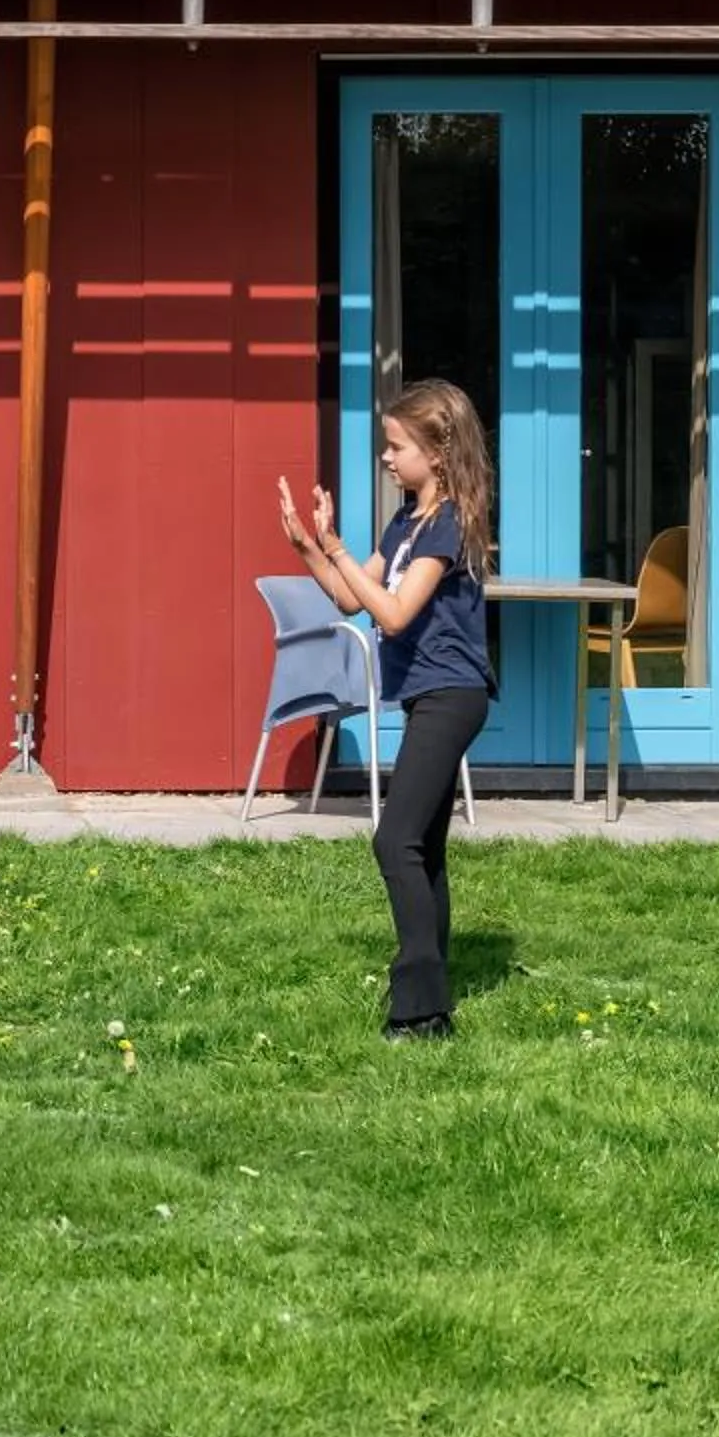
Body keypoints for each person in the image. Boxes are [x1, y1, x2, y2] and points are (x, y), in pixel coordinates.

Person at [278, 377, 497, 1043]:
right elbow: (353, 600)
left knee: (392, 839)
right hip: (429, 695)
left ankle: (420, 1006)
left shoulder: (449, 522)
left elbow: (395, 616)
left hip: (453, 697)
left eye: (396, 446)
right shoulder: (406, 522)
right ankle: (432, 995)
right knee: (422, 846)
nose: (385, 457)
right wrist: (310, 548)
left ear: (437, 453)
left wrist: (340, 551)